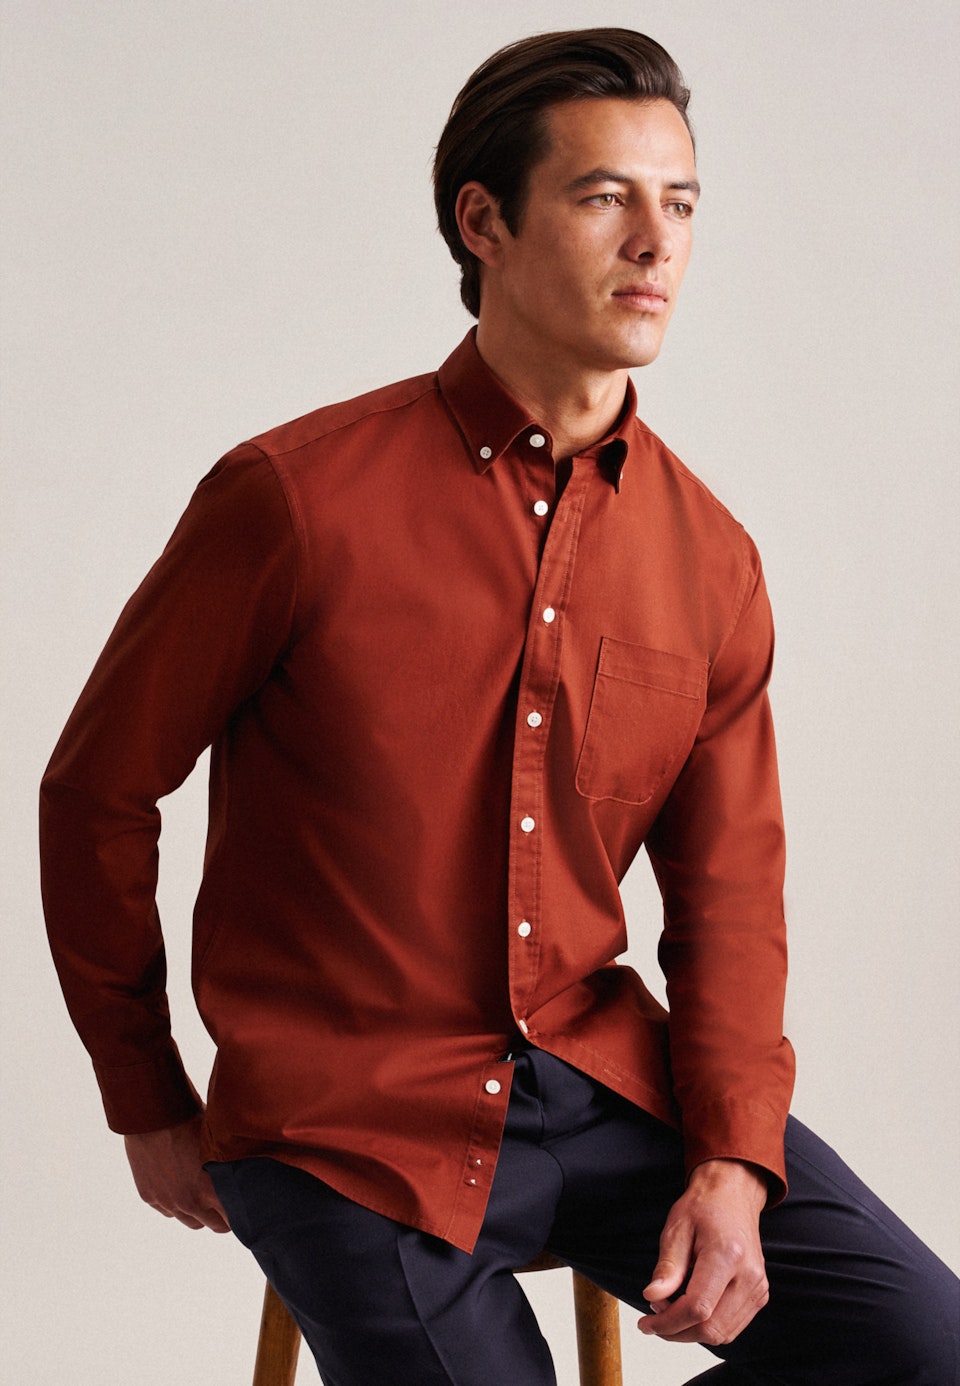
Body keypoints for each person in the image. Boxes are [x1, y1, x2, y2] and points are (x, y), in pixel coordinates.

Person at [39, 28, 957, 1384]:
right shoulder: (293, 501)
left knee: (927, 1349)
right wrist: (147, 1092)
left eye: (680, 203)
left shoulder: (712, 562)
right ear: (484, 222)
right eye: (604, 197)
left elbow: (729, 900)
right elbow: (97, 790)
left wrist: (731, 1156)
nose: (655, 242)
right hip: (342, 1118)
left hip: (598, 1084)